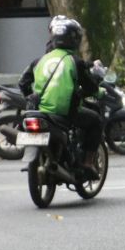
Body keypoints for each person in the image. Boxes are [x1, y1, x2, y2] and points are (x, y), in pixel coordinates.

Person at [26, 17, 103, 179]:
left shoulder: (39, 60)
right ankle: (88, 163)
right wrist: (83, 92)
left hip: (39, 112)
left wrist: (31, 97)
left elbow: (23, 83)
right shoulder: (74, 61)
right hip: (65, 113)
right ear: (74, 39)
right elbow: (91, 87)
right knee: (95, 120)